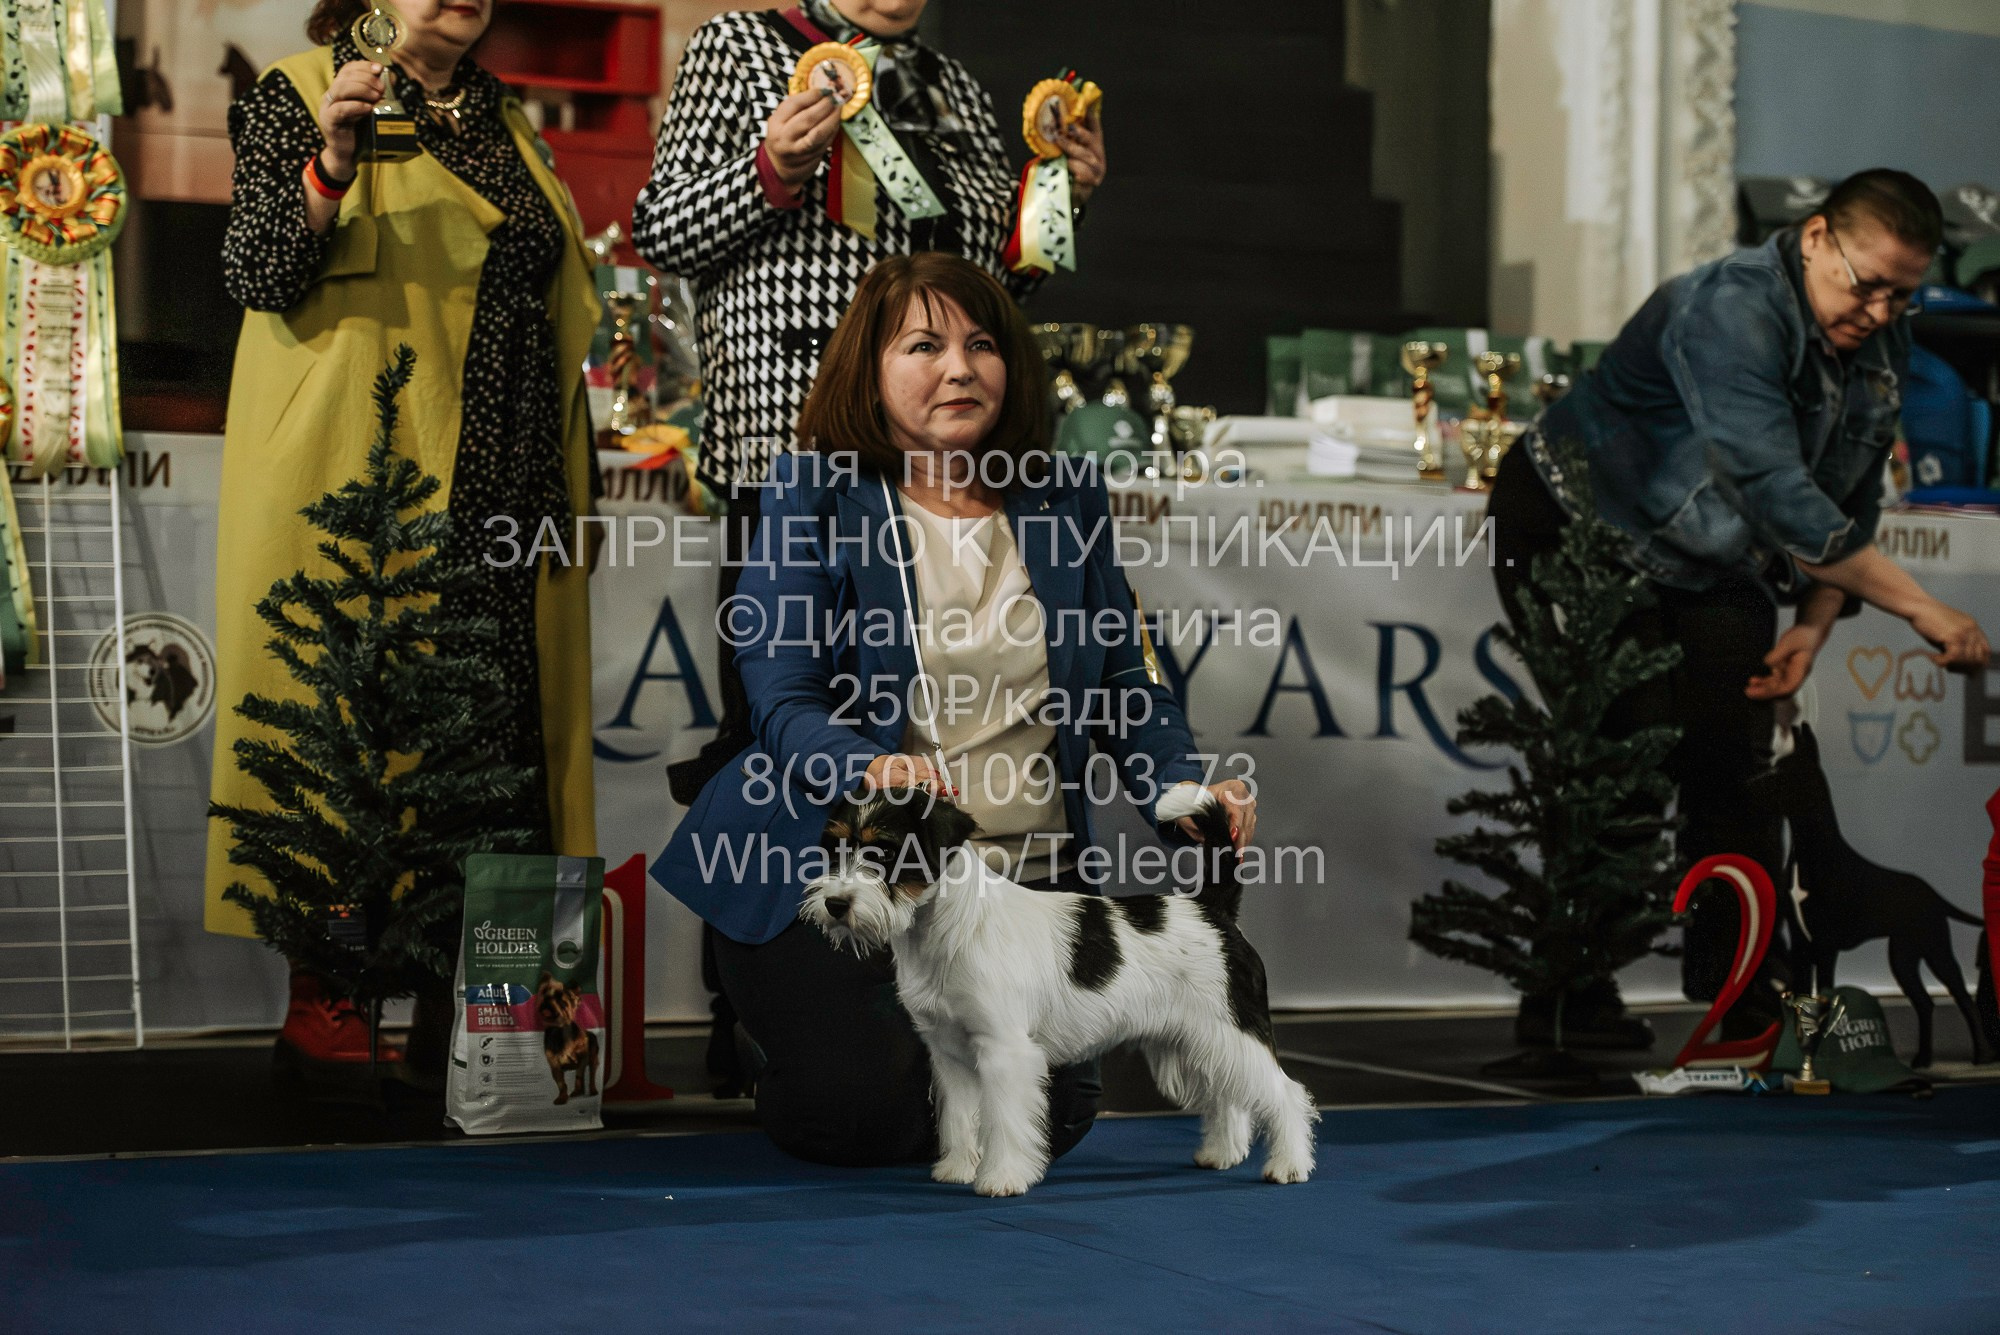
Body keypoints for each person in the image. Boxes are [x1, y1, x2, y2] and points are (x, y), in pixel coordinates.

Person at [651, 253, 1253, 1166]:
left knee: (1044, 1116)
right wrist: (869, 764)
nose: (959, 368)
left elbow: (1132, 680)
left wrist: (1181, 787)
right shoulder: (814, 493)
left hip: (1020, 888)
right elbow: (781, 695)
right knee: (854, 1116)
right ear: (870, 366)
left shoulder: (1067, 499)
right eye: (923, 344)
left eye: (981, 344)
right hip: (843, 860)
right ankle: (779, 1027)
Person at [631, 0, 1107, 1090]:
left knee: (906, 725)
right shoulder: (739, 47)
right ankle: (756, 1008)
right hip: (792, 448)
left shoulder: (953, 87)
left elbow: (994, 282)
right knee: (775, 737)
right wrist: (772, 164)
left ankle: (929, 1005)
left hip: (935, 460)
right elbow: (661, 231)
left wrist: (1057, 204)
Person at [1491, 168, 1990, 1044]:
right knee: (1622, 750)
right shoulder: (1728, 308)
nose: (1878, 311)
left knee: (1739, 761)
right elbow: (1777, 494)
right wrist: (1925, 610)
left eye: (1900, 295)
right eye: (1865, 284)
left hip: (1713, 551)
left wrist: (1811, 626)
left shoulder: (1881, 343)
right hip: (1578, 522)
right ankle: (1568, 1000)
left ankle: (1741, 992)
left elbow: (1851, 499)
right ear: (1813, 240)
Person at [208, 0, 602, 1072]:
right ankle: (331, 996)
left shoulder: (507, 121)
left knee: (500, 741)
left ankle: (488, 1014)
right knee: (356, 721)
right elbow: (254, 274)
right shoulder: (297, 91)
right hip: (371, 468)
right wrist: (331, 164)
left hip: (510, 470)